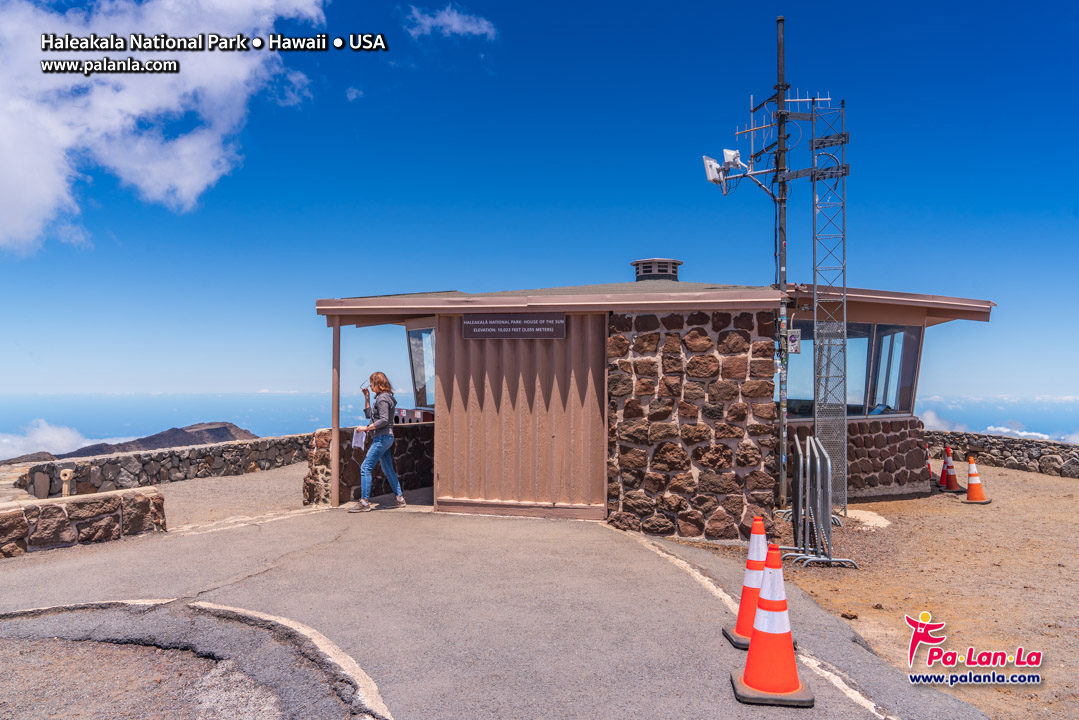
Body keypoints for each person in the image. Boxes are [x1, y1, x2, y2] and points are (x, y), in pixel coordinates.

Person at [349, 371, 407, 512]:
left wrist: (366, 428)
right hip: (386, 437)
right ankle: (400, 499)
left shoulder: (382, 399)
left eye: (371, 383)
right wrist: (367, 398)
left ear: (378, 383)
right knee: (388, 469)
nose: (370, 385)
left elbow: (384, 420)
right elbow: (370, 415)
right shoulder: (384, 398)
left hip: (382, 437)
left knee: (365, 467)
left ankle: (364, 502)